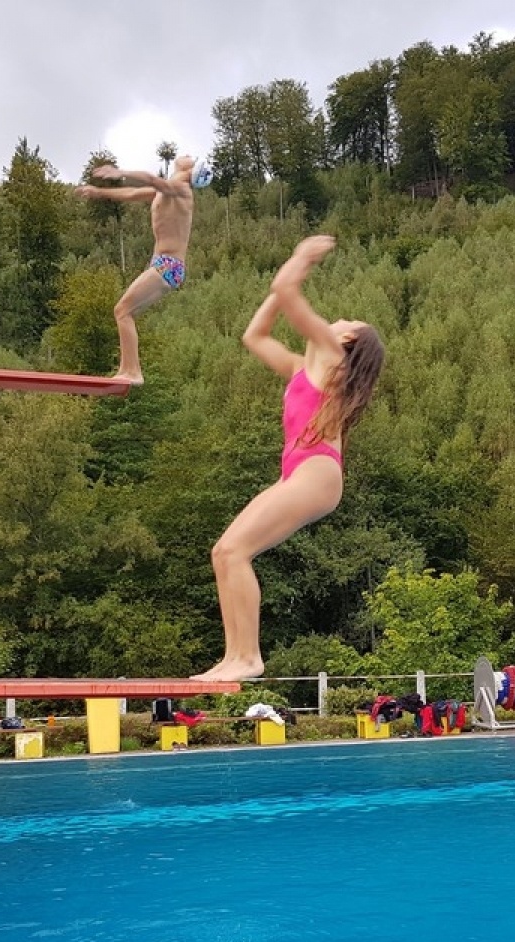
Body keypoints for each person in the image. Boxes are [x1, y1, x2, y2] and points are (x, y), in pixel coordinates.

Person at [193, 235, 385, 683]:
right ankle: (234, 655)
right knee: (224, 551)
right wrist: (278, 293)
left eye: (348, 320)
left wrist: (301, 258)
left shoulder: (333, 356)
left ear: (350, 338)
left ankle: (248, 657)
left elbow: (289, 292)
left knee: (236, 551)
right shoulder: (306, 367)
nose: (339, 318)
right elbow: (253, 336)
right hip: (299, 473)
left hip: (315, 472)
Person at [75, 155, 200, 385]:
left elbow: (152, 179)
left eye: (189, 158)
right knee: (123, 311)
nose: (185, 156)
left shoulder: (181, 189)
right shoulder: (165, 191)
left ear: (190, 169)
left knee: (122, 310)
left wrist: (120, 172)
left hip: (168, 265)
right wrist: (98, 193)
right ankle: (126, 369)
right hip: (163, 265)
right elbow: (131, 194)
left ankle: (134, 372)